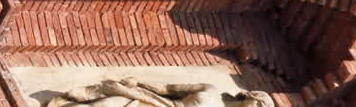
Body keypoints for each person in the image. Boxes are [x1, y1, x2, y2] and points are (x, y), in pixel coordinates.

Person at [45, 78, 273, 107]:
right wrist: (139, 83)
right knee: (105, 105)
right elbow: (167, 89)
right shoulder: (211, 91)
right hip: (158, 105)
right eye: (259, 106)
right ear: (251, 96)